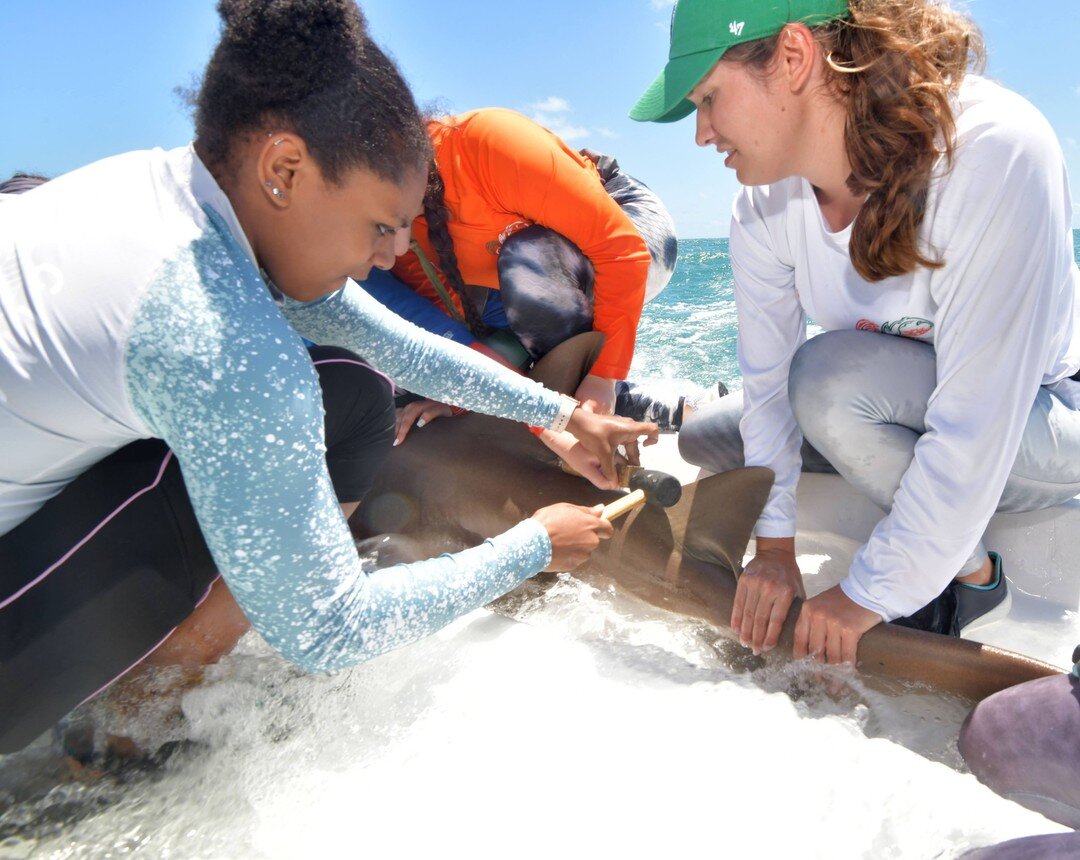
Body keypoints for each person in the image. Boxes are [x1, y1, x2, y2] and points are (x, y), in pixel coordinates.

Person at [0, 0, 656, 754]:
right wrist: (534, 545)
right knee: (291, 422)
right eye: (381, 227)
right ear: (285, 170)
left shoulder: (166, 193)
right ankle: (126, 718)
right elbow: (330, 630)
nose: (391, 257)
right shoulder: (207, 329)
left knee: (348, 388)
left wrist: (563, 415)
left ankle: (151, 671)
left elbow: (399, 348)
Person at [630, 0, 1080, 665]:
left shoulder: (992, 147)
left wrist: (872, 592)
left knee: (825, 382)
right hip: (892, 403)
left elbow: (975, 424)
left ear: (792, 57)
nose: (702, 133)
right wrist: (775, 550)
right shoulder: (762, 206)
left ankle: (973, 576)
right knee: (706, 435)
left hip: (1043, 417)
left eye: (709, 99)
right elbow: (764, 388)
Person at [359, 107, 678, 423]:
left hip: (630, 224)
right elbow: (472, 336)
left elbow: (622, 252)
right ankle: (669, 406)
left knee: (528, 262)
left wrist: (604, 376)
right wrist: (457, 399)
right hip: (548, 274)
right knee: (509, 314)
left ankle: (621, 401)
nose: (381, 262)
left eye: (376, 230)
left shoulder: (487, 141)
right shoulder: (407, 240)